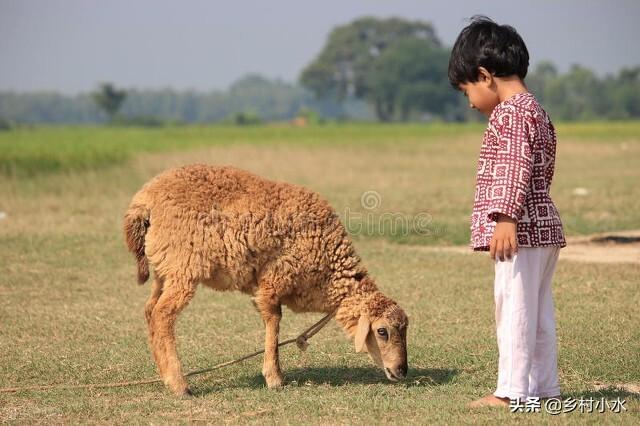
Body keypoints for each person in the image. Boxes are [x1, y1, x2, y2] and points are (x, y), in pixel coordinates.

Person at [448, 16, 566, 407]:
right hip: (543, 229)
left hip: (520, 231)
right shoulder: (537, 110)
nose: (469, 102)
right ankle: (544, 388)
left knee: (514, 312)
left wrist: (505, 218)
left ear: (485, 76)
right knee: (538, 316)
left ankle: (511, 393)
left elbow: (514, 165)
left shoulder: (510, 114)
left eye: (466, 90)